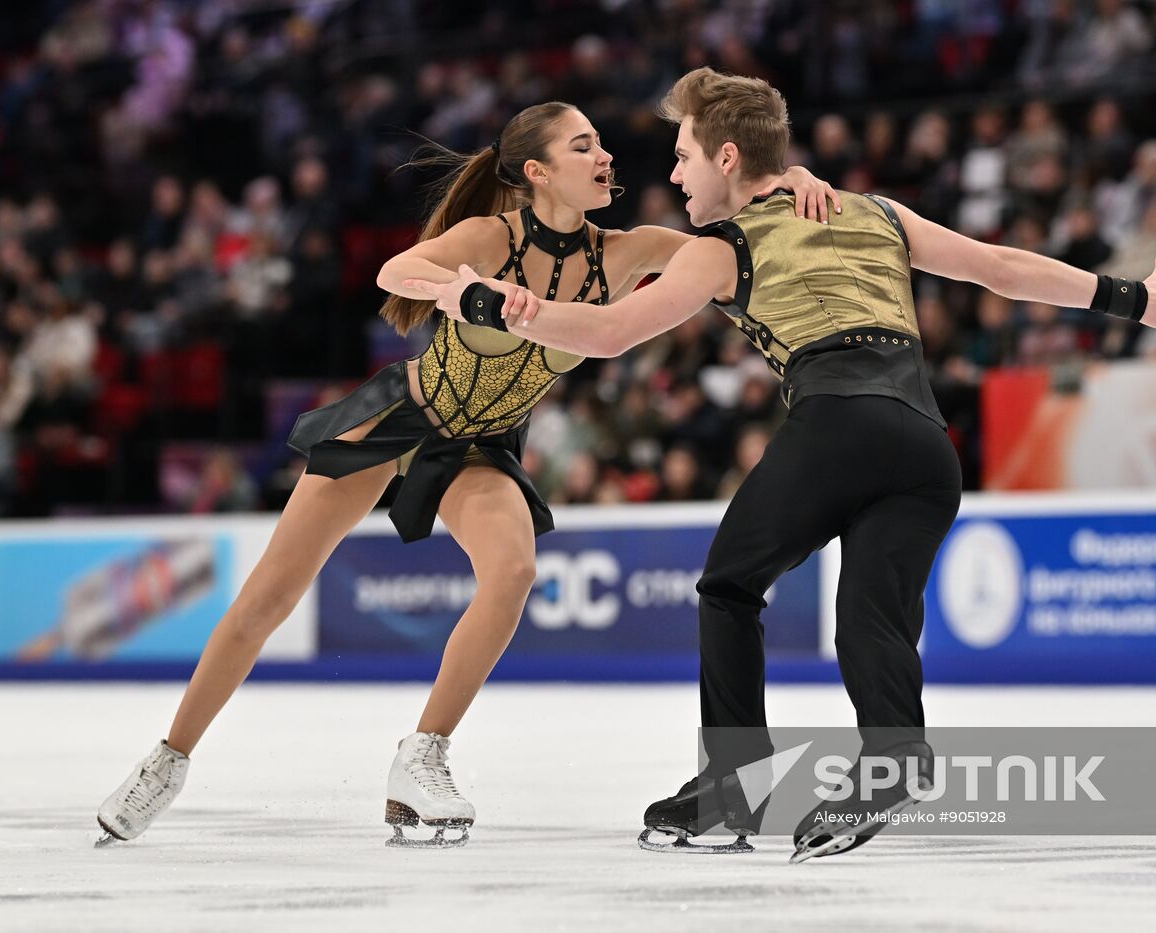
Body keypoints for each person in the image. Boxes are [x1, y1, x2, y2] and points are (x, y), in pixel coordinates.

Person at [407, 68, 1156, 862]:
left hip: (836, 421)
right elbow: (1001, 267)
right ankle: (895, 753)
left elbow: (612, 334)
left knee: (728, 586)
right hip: (924, 444)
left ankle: (733, 785)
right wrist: (1131, 299)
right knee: (870, 616)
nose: (673, 171)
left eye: (685, 154)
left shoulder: (719, 247)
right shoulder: (875, 211)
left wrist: (524, 309)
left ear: (727, 158)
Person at [94, 100, 838, 849]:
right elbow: (398, 269)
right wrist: (464, 290)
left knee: (512, 571)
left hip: (481, 447)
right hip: (397, 421)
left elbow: (736, 238)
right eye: (584, 146)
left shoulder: (629, 250)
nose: (606, 155)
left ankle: (422, 757)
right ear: (539, 172)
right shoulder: (492, 236)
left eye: (601, 143)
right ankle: (169, 757)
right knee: (270, 594)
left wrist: (794, 174)